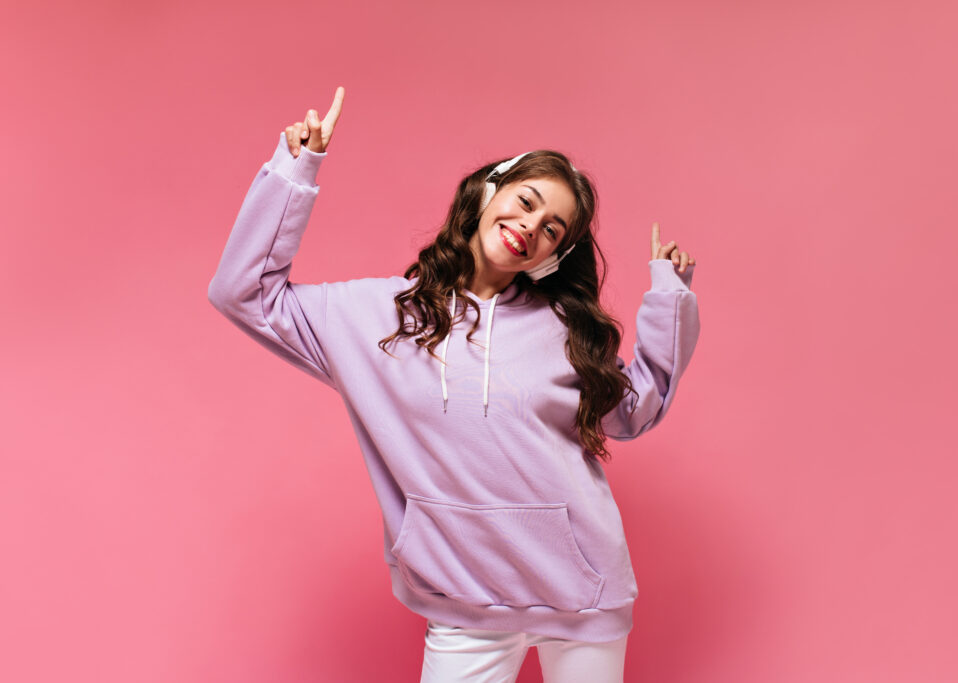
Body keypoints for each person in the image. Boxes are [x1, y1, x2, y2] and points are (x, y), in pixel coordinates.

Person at [208, 86, 701, 682]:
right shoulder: (374, 317)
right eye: (525, 201)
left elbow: (634, 413)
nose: (529, 227)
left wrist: (669, 299)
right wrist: (296, 169)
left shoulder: (565, 330)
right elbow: (244, 293)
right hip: (464, 602)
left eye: (551, 230)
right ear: (489, 191)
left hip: (583, 593)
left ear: (553, 257)